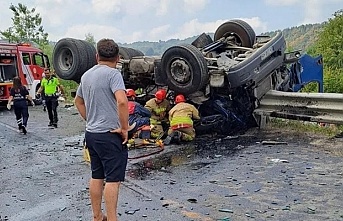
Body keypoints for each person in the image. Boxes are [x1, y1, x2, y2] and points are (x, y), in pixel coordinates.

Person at [74, 38, 130, 221]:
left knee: (97, 175)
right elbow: (122, 101)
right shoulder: (113, 75)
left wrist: (90, 119)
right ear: (117, 58)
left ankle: (98, 216)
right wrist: (124, 128)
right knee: (113, 180)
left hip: (92, 134)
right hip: (109, 135)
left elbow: (78, 101)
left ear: (97, 56)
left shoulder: (86, 75)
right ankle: (113, 219)